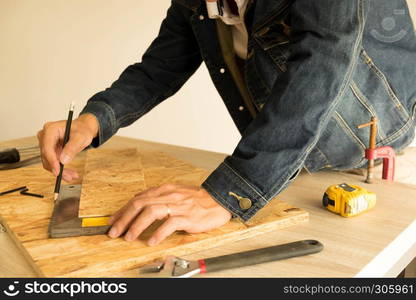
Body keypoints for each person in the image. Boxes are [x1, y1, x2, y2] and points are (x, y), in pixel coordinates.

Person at [37, 0, 416, 246]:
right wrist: (94, 119)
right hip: (288, 169)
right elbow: (159, 69)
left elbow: (323, 62)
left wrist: (230, 192)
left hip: (389, 163)